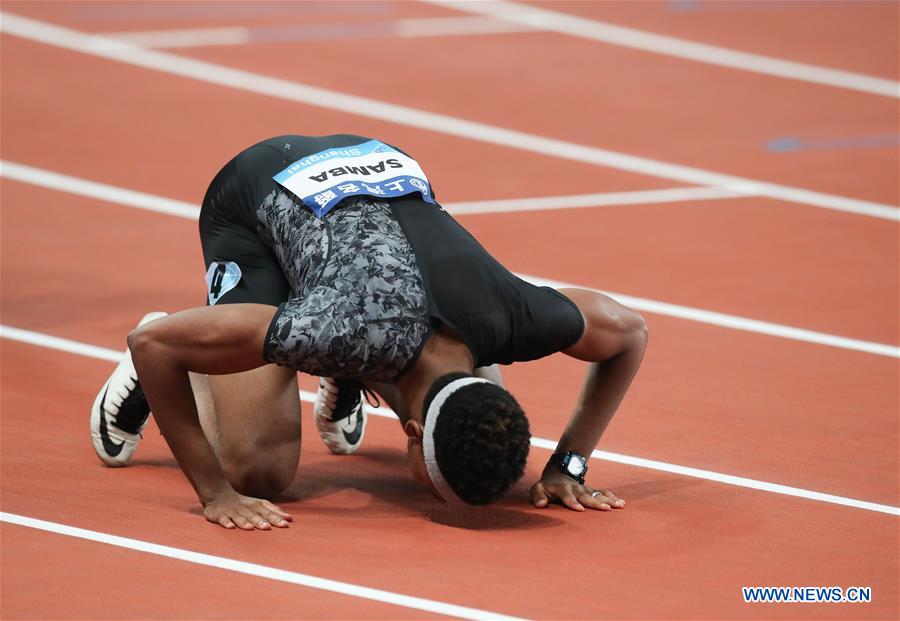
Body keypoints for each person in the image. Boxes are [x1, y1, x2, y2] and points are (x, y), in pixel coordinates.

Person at [90, 134, 648, 530]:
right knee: (258, 469)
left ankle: (341, 367)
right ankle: (204, 351)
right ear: (408, 430)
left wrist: (567, 464)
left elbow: (629, 332)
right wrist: (214, 494)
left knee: (457, 407)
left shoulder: (516, 318)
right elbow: (154, 349)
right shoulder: (341, 329)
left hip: (376, 168)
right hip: (255, 196)